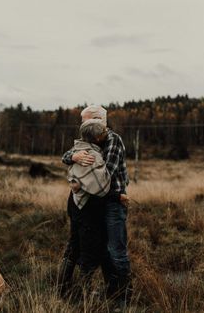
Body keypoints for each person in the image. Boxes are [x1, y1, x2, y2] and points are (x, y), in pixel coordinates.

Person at [59, 105, 132, 312]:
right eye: (82, 122)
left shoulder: (112, 140)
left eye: (85, 121)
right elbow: (66, 156)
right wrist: (74, 157)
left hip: (112, 203)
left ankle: (123, 298)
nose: (81, 125)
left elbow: (101, 179)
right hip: (95, 203)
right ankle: (110, 291)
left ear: (100, 120)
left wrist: (78, 182)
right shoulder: (90, 138)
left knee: (116, 250)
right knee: (100, 249)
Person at [64, 119, 111, 295]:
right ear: (97, 138)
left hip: (76, 205)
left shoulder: (77, 149)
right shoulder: (93, 156)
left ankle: (62, 288)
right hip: (88, 210)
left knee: (73, 246)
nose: (106, 135)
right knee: (89, 251)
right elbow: (101, 187)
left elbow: (73, 170)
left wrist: (77, 182)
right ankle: (85, 295)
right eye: (103, 133)